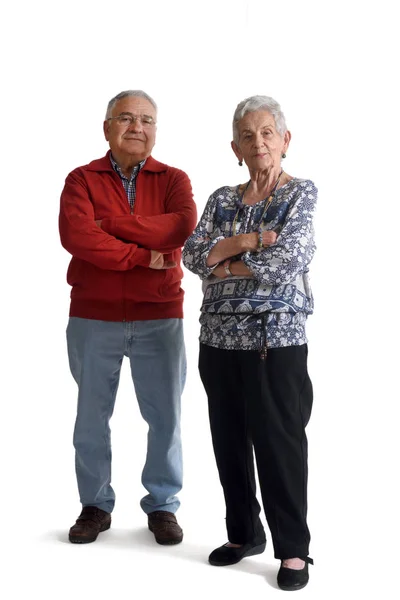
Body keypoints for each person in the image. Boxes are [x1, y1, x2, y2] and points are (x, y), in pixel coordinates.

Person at [183, 95, 317, 591]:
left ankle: (293, 551)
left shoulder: (299, 193)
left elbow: (291, 260)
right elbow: (194, 257)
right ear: (235, 147)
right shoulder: (221, 198)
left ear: (285, 140)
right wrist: (249, 241)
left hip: (274, 344)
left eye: (266, 133)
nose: (257, 142)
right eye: (247, 135)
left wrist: (226, 262)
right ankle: (243, 534)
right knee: (229, 445)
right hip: (217, 341)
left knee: (280, 447)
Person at [59, 90, 197, 546]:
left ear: (156, 130)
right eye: (126, 118)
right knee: (91, 418)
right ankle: (95, 505)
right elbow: (77, 237)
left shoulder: (175, 179)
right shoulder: (81, 179)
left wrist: (110, 224)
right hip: (93, 316)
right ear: (107, 128)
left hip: (161, 315)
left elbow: (180, 228)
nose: (137, 127)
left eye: (147, 119)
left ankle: (162, 506)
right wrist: (144, 255)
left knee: (167, 418)